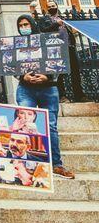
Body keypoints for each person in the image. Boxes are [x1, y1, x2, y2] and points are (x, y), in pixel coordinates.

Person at [15, 14, 74, 179]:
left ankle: (57, 164)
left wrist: (47, 76)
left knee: (51, 126)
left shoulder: (47, 40)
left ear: (32, 24)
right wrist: (23, 77)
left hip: (48, 88)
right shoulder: (16, 45)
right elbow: (12, 66)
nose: (24, 27)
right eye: (21, 25)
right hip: (26, 89)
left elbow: (57, 61)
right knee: (26, 125)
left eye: (26, 24)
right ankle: (31, 163)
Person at [38, 0, 87, 102]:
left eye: (53, 5)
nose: (52, 7)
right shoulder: (44, 19)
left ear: (57, 6)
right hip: (56, 48)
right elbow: (43, 30)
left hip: (69, 46)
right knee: (59, 73)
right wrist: (56, 24)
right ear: (47, 8)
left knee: (75, 71)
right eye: (49, 6)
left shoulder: (64, 18)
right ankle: (62, 96)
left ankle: (79, 95)